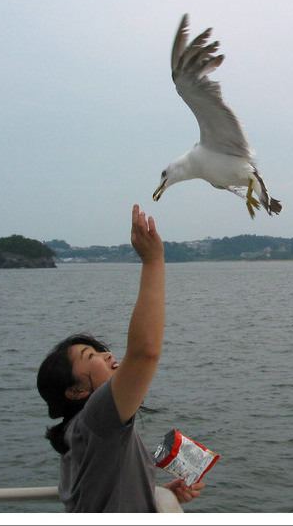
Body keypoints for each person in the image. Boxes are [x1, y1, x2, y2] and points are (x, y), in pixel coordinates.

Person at [37, 204, 204, 512]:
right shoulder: (98, 417)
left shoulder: (80, 433)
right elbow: (144, 354)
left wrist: (151, 491)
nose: (108, 354)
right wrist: (153, 260)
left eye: (101, 349)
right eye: (92, 356)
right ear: (75, 391)